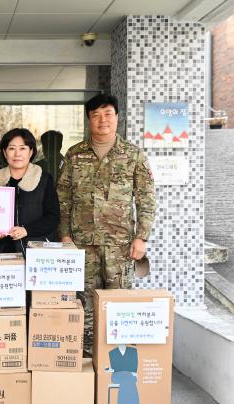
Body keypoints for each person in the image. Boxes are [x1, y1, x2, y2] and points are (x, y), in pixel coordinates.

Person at [56, 94, 156, 353]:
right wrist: (65, 236)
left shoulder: (133, 155)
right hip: (82, 244)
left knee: (119, 302)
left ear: (117, 117)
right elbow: (63, 198)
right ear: (89, 119)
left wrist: (141, 237)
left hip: (120, 245)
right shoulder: (75, 154)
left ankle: (118, 360)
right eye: (96, 115)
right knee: (85, 303)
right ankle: (88, 359)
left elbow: (146, 198)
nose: (103, 120)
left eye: (108, 114)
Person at [0, 128, 59, 254]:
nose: (17, 154)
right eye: (11, 149)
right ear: (4, 153)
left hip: (36, 252)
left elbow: (53, 218)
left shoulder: (44, 179)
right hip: (3, 253)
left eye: (22, 148)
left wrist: (26, 230)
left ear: (31, 151)